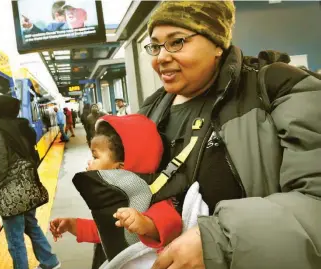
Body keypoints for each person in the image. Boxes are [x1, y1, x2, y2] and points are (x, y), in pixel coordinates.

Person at [137, 1, 321, 269]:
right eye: (155, 46)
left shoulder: (279, 89)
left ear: (217, 43)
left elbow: (315, 200)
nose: (161, 57)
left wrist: (220, 242)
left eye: (177, 42)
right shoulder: (151, 110)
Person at [50, 114, 182, 268]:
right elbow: (108, 231)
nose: (89, 162)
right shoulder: (116, 198)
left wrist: (146, 224)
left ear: (120, 166)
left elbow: (173, 223)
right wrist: (72, 225)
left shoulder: (150, 194)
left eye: (95, 157)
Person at [0, 95, 61, 269]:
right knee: (31, 225)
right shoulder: (22, 127)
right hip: (27, 188)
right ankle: (50, 261)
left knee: (15, 239)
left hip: (11, 194)